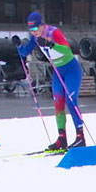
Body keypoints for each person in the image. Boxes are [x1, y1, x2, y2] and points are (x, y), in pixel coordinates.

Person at [15, 11, 85, 151]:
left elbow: (67, 50)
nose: (34, 32)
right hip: (58, 71)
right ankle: (62, 139)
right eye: (31, 30)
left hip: (72, 70)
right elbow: (24, 52)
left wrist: (49, 44)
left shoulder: (54, 33)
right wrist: (18, 45)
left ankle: (80, 138)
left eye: (35, 29)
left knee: (71, 101)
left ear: (42, 25)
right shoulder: (35, 37)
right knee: (58, 103)